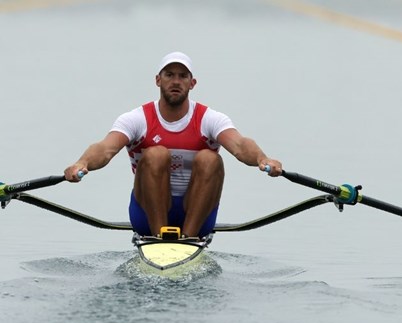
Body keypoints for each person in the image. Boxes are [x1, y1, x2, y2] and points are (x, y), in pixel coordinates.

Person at [63, 51, 283, 238]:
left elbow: (240, 145)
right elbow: (105, 149)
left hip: (198, 216)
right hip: (146, 215)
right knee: (156, 154)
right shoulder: (137, 118)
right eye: (169, 75)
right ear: (158, 80)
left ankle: (188, 238)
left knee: (210, 158)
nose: (176, 81)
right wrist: (82, 163)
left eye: (182, 76)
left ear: (192, 83)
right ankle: (160, 235)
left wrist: (262, 159)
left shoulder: (209, 118)